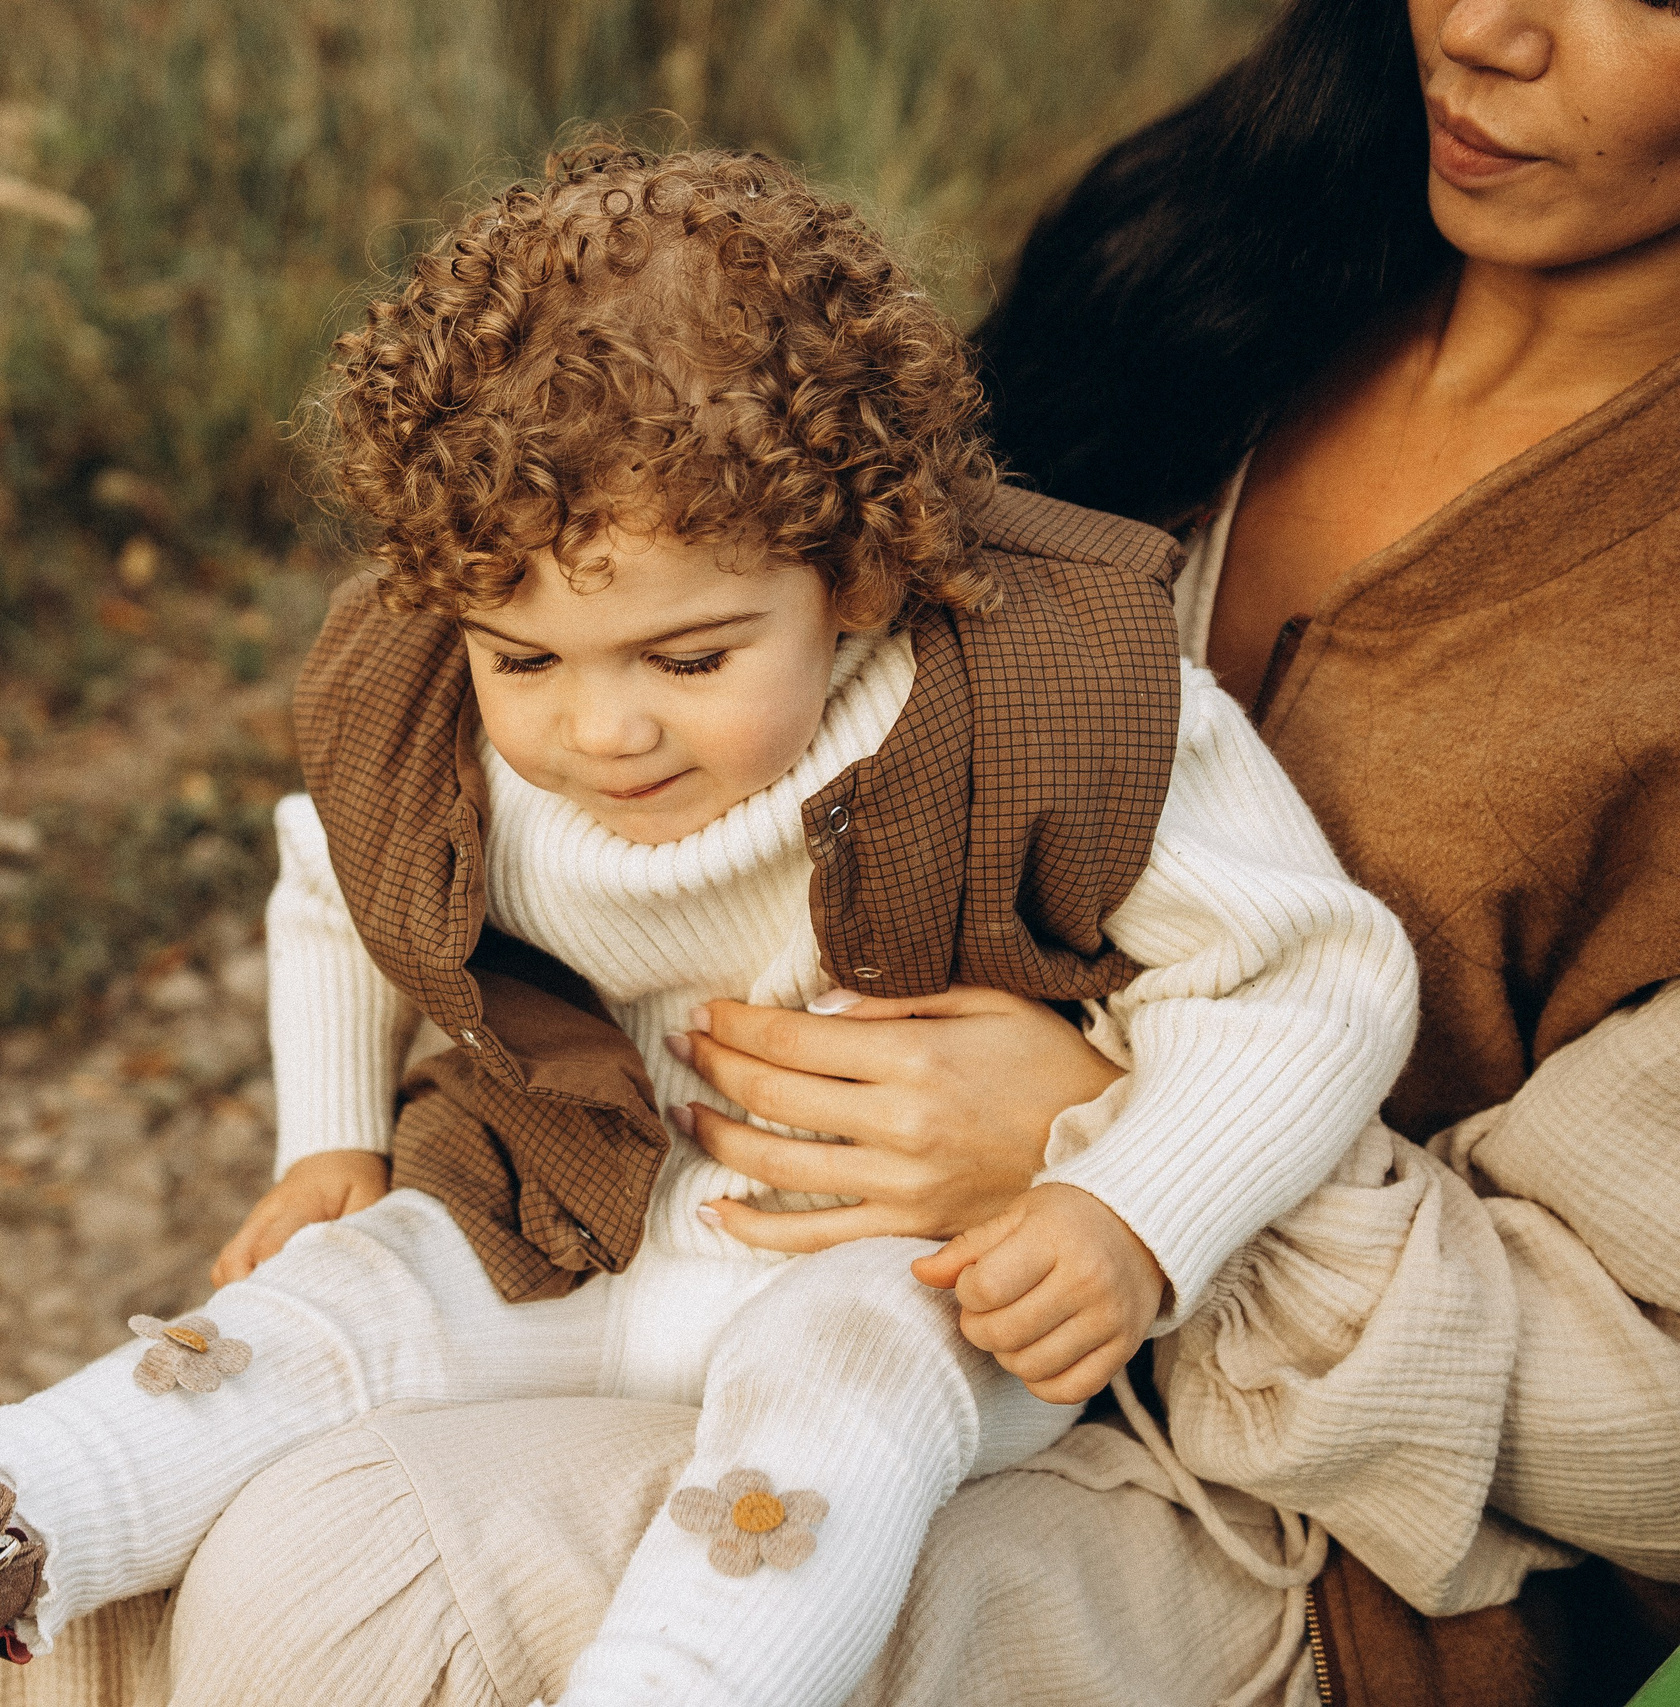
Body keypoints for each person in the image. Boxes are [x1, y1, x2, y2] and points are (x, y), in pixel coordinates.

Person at [0, 148, 1422, 1707]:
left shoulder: (1056, 702)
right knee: (306, 1321)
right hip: (575, 1211)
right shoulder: (446, 713)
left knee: (829, 1423)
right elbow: (332, 878)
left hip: (909, 1261)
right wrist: (334, 1141)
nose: (605, 729)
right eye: (530, 658)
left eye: (690, 656)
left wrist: (1129, 1212)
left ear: (853, 575)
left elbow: (1319, 977)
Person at [104, 1, 1680, 1703]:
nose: (1494, 25)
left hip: (1323, 1542)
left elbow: (1650, 1424)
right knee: (144, 1528)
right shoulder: (1198, 262)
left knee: (355, 1576)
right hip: (763, 1257)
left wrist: (1126, 1160)